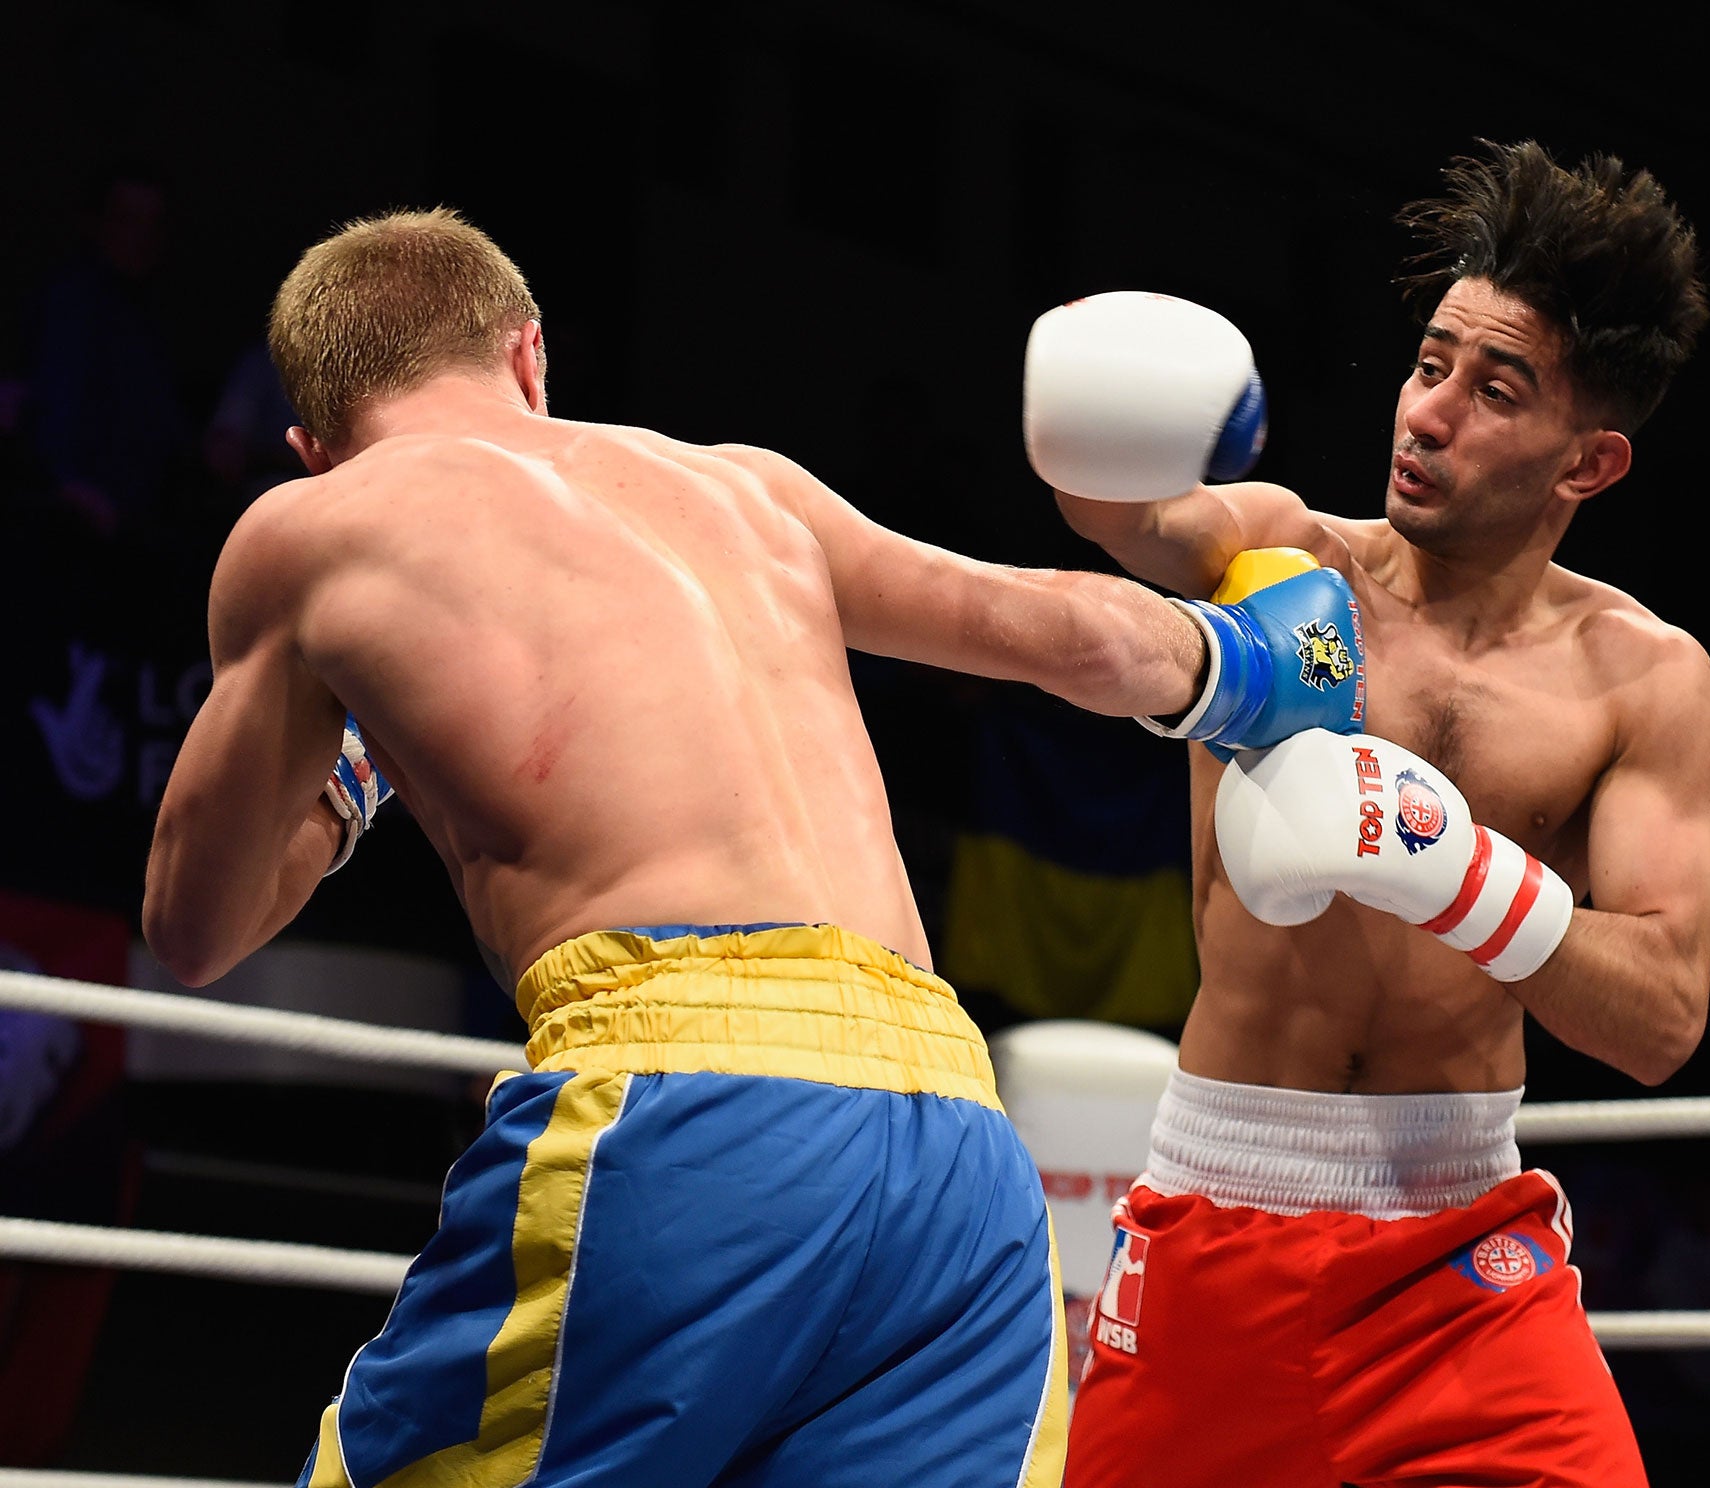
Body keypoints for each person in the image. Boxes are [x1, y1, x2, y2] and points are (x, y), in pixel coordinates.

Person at [139, 207, 1367, 1488]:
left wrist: (348, 770)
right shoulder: (747, 484)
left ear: (311, 445)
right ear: (527, 357)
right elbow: (1084, 642)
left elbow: (194, 922)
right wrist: (1260, 659)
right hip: (949, 1138)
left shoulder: (313, 528)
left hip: (682, 1108)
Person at [1023, 139, 1710, 1486]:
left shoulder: (1645, 678)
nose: (1428, 411)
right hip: (1222, 1212)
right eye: (1428, 363)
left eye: (1494, 389)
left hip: (1465, 1255)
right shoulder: (1281, 557)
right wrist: (1100, 421)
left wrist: (1461, 876)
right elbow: (1125, 519)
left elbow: (1663, 1013)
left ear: (1592, 463)